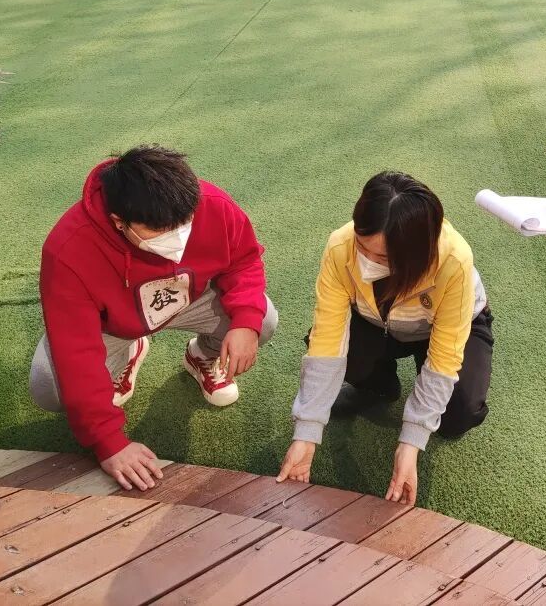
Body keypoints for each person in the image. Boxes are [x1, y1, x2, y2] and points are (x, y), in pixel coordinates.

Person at [31, 146, 278, 492]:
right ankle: (128, 353)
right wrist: (108, 442)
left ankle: (202, 356)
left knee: (263, 320)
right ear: (119, 222)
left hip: (191, 298)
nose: (176, 237)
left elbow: (244, 261)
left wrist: (246, 321)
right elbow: (75, 350)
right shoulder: (67, 250)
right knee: (50, 386)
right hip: (112, 325)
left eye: (184, 223)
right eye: (159, 230)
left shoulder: (212, 203)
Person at [277, 171, 493, 505]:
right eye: (362, 247)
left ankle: (436, 404)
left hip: (440, 328)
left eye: (382, 259)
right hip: (376, 321)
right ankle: (380, 385)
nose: (366, 262)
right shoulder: (340, 246)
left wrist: (411, 441)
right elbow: (328, 339)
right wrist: (306, 432)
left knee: (457, 417)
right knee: (341, 355)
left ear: (416, 254)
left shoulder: (453, 261)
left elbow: (445, 355)